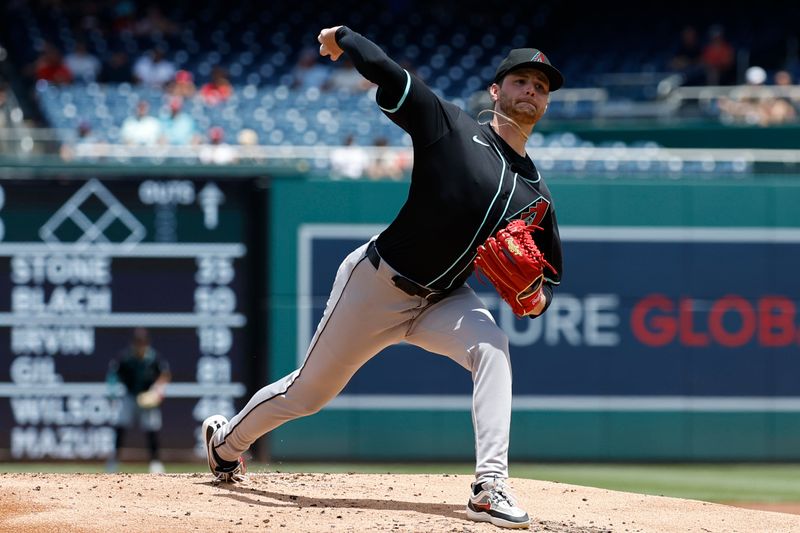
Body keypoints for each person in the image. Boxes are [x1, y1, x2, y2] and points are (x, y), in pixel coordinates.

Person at [202, 25, 564, 530]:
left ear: (546, 105)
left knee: (493, 348)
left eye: (541, 87)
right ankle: (226, 445)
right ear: (496, 90)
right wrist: (345, 37)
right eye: (522, 81)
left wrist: (533, 299)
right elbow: (392, 75)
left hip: (444, 300)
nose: (531, 91)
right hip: (377, 283)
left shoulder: (537, 196)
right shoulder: (452, 127)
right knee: (307, 394)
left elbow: (545, 290)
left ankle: (489, 486)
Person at [107, 328, 171, 473]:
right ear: (133, 343)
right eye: (138, 343)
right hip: (129, 396)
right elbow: (113, 374)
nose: (140, 346)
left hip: (147, 396)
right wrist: (112, 392)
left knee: (152, 429)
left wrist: (157, 391)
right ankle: (114, 461)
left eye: (142, 343)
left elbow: (164, 374)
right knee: (120, 426)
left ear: (147, 343)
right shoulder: (126, 357)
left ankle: (155, 462)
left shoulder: (153, 358)